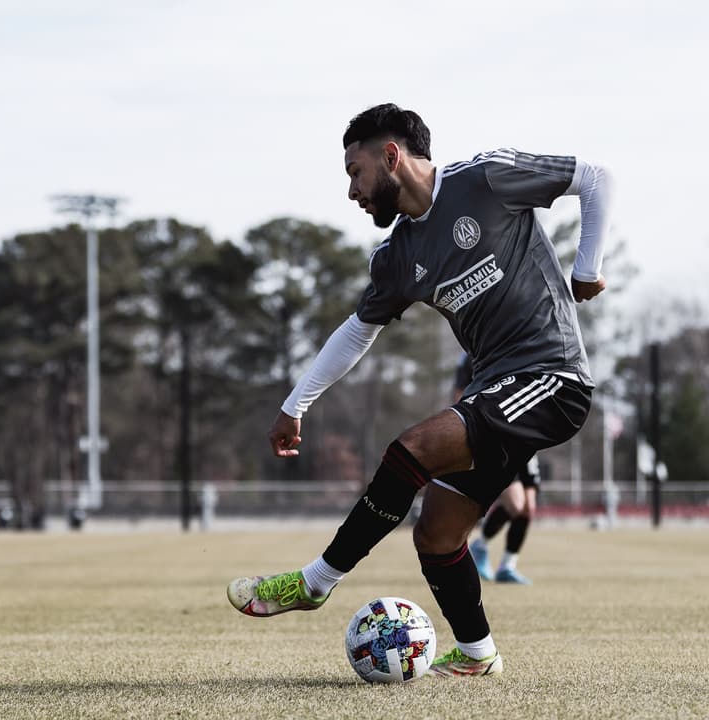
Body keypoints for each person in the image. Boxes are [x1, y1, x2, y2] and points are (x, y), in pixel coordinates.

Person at [227, 103, 609, 677]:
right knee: (436, 533)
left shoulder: (485, 178)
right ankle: (479, 654)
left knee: (414, 447)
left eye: (355, 173)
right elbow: (358, 331)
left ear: (391, 157)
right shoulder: (397, 256)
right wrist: (294, 404)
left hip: (553, 378)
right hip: (494, 389)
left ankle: (315, 582)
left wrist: (588, 264)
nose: (352, 191)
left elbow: (595, 178)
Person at [454, 352, 539, 585]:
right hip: (495, 436)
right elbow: (460, 396)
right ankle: (479, 547)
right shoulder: (471, 355)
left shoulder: (524, 346)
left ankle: (507, 566)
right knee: (516, 503)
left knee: (528, 507)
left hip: (524, 435)